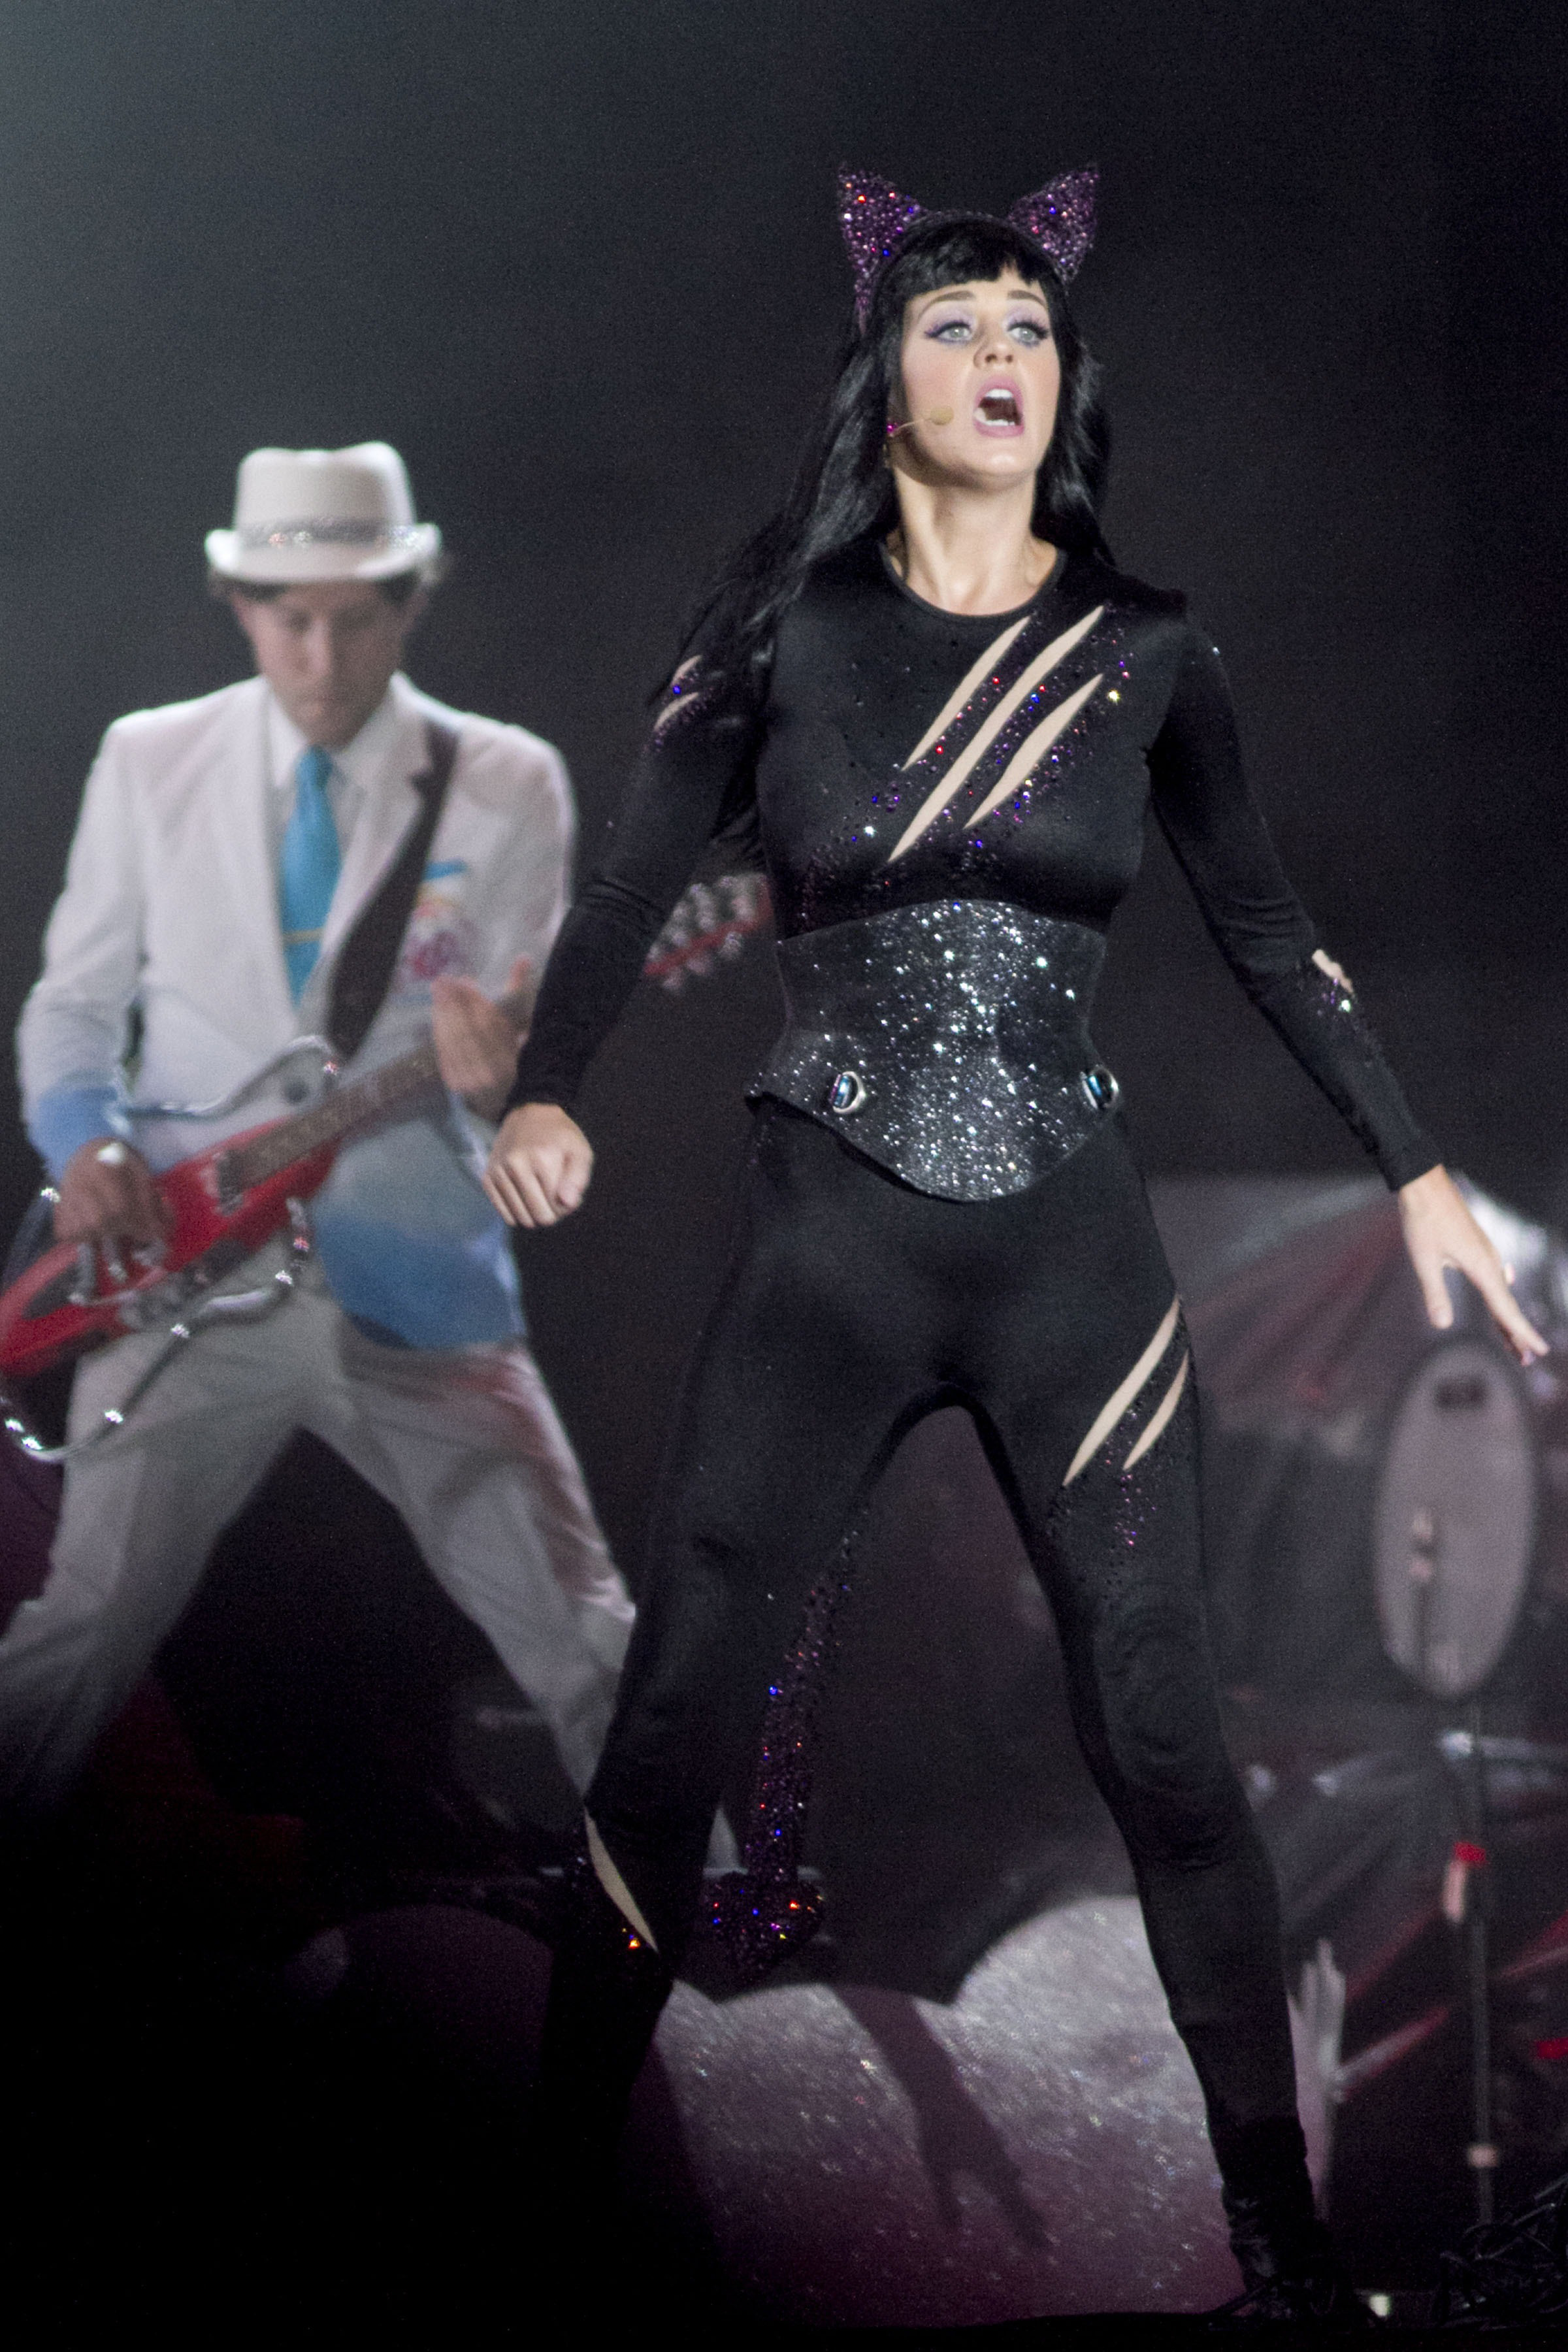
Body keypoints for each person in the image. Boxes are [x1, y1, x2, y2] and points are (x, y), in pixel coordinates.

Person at [483, 172, 1545, 2320]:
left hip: (1072, 1257)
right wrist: (544, 1087)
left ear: (1068, 383)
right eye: (957, 323)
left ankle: (1279, 2239)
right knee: (670, 1723)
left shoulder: (1148, 650)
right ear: (885, 376)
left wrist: (1418, 1171)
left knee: (1164, 1739)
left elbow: (1270, 931)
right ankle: (551, 2204)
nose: (1000, 358)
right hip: (829, 1252)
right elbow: (622, 892)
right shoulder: (776, 633)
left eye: (1031, 330)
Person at [3, 440, 634, 1823]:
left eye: (356, 619)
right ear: (239, 604)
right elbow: (73, 1006)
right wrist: (86, 1144)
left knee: (585, 1636)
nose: (322, 656)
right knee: (83, 1628)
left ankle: (729, 1928)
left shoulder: (507, 780)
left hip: (414, 1273)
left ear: (411, 604)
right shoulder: (150, 759)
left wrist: (503, 1080)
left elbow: (519, 1063)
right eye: (291, 618)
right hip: (185, 1271)